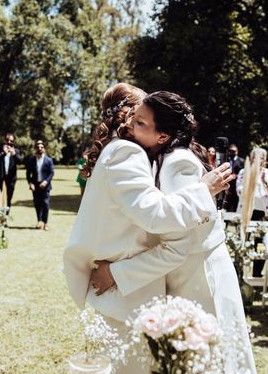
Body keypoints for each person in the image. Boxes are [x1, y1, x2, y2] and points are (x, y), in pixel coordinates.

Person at [63, 83, 234, 374]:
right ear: (129, 113)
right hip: (126, 297)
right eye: (140, 113)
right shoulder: (126, 153)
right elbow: (155, 214)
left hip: (129, 291)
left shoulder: (125, 152)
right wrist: (203, 191)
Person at [236, 147, 268, 277]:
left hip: (262, 212)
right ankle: (239, 272)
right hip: (247, 210)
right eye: (255, 157)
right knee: (243, 240)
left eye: (261, 157)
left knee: (260, 242)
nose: (258, 160)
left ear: (264, 160)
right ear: (251, 158)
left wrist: (264, 181)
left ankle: (257, 273)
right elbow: (240, 191)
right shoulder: (243, 172)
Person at [26, 140, 54, 230]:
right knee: (37, 204)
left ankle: (45, 223)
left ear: (44, 149)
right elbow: (28, 173)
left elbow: (51, 173)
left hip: (45, 185)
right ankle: (39, 221)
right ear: (35, 148)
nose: (40, 149)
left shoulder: (48, 160)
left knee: (45, 204)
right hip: (35, 186)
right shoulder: (31, 160)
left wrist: (46, 181)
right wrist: (30, 183)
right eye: (38, 147)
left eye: (41, 147)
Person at [0, 133, 22, 210]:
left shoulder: (16, 151)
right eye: (7, 140)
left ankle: (6, 217)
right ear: (4, 140)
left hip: (11, 179)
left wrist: (13, 154)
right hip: (0, 179)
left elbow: (20, 161)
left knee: (8, 199)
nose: (9, 142)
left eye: (11, 141)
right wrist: (3, 153)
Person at [225, 143, 243, 211]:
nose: (232, 152)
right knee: (226, 204)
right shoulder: (226, 160)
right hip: (227, 185)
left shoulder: (241, 161)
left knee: (236, 204)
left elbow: (243, 173)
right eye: (231, 151)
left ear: (237, 151)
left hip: (237, 185)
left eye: (234, 151)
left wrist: (236, 176)